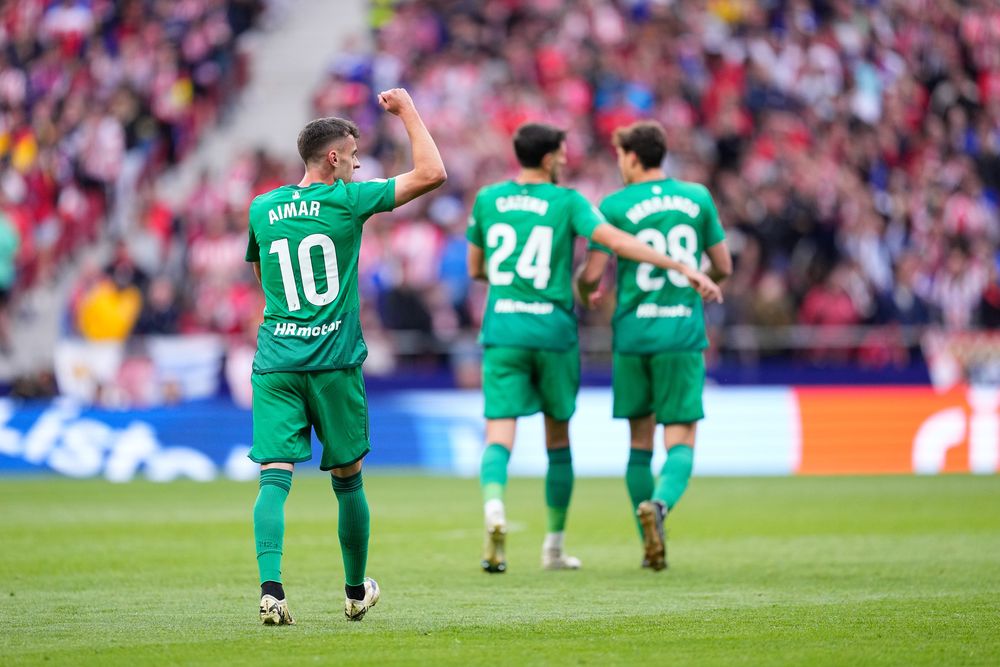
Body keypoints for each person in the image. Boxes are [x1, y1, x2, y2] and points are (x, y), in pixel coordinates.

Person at [467, 123, 721, 574]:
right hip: (567, 334)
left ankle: (493, 508)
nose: (567, 160)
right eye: (563, 154)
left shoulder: (488, 199)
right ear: (549, 158)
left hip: (509, 328)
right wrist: (684, 268)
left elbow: (477, 268)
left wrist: (528, 286)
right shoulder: (572, 202)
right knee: (563, 439)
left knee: (500, 432)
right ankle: (558, 546)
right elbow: (620, 245)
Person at [246, 89, 446, 625]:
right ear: (333, 158)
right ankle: (356, 592)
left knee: (274, 476)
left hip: (276, 362)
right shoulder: (347, 200)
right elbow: (431, 173)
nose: (358, 165)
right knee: (349, 478)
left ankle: (272, 591)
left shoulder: (262, 208)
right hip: (332, 360)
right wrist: (406, 111)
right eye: (354, 156)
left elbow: (262, 272)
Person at [576, 121, 732, 571]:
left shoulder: (615, 204)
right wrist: (698, 283)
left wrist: (588, 294)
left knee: (640, 442)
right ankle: (660, 507)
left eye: (620, 155)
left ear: (633, 157)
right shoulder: (698, 197)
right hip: (680, 332)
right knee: (681, 437)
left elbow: (591, 275)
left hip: (633, 335)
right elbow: (722, 264)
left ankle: (646, 537)